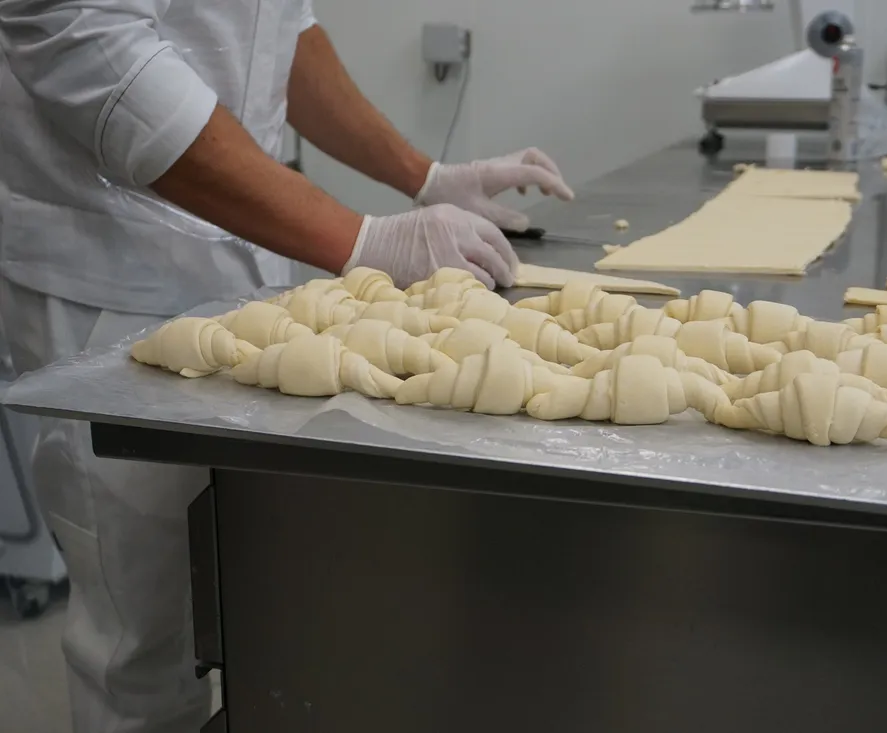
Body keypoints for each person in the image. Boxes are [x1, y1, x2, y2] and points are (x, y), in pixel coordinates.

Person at [0, 2, 573, 732]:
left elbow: (279, 29)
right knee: (141, 640)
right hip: (111, 276)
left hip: (240, 267)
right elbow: (82, 37)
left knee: (259, 606)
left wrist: (423, 175)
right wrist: (359, 238)